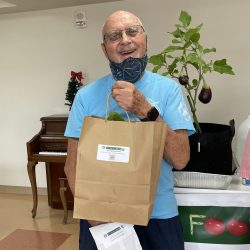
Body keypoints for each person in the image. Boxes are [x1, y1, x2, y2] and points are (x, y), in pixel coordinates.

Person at [64, 10, 195, 250]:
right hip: (101, 219)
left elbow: (181, 159)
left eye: (132, 31)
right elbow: (72, 167)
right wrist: (101, 222)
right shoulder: (85, 97)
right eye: (114, 36)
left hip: (159, 218)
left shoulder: (169, 91)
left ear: (144, 39)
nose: (125, 40)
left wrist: (146, 110)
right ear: (105, 48)